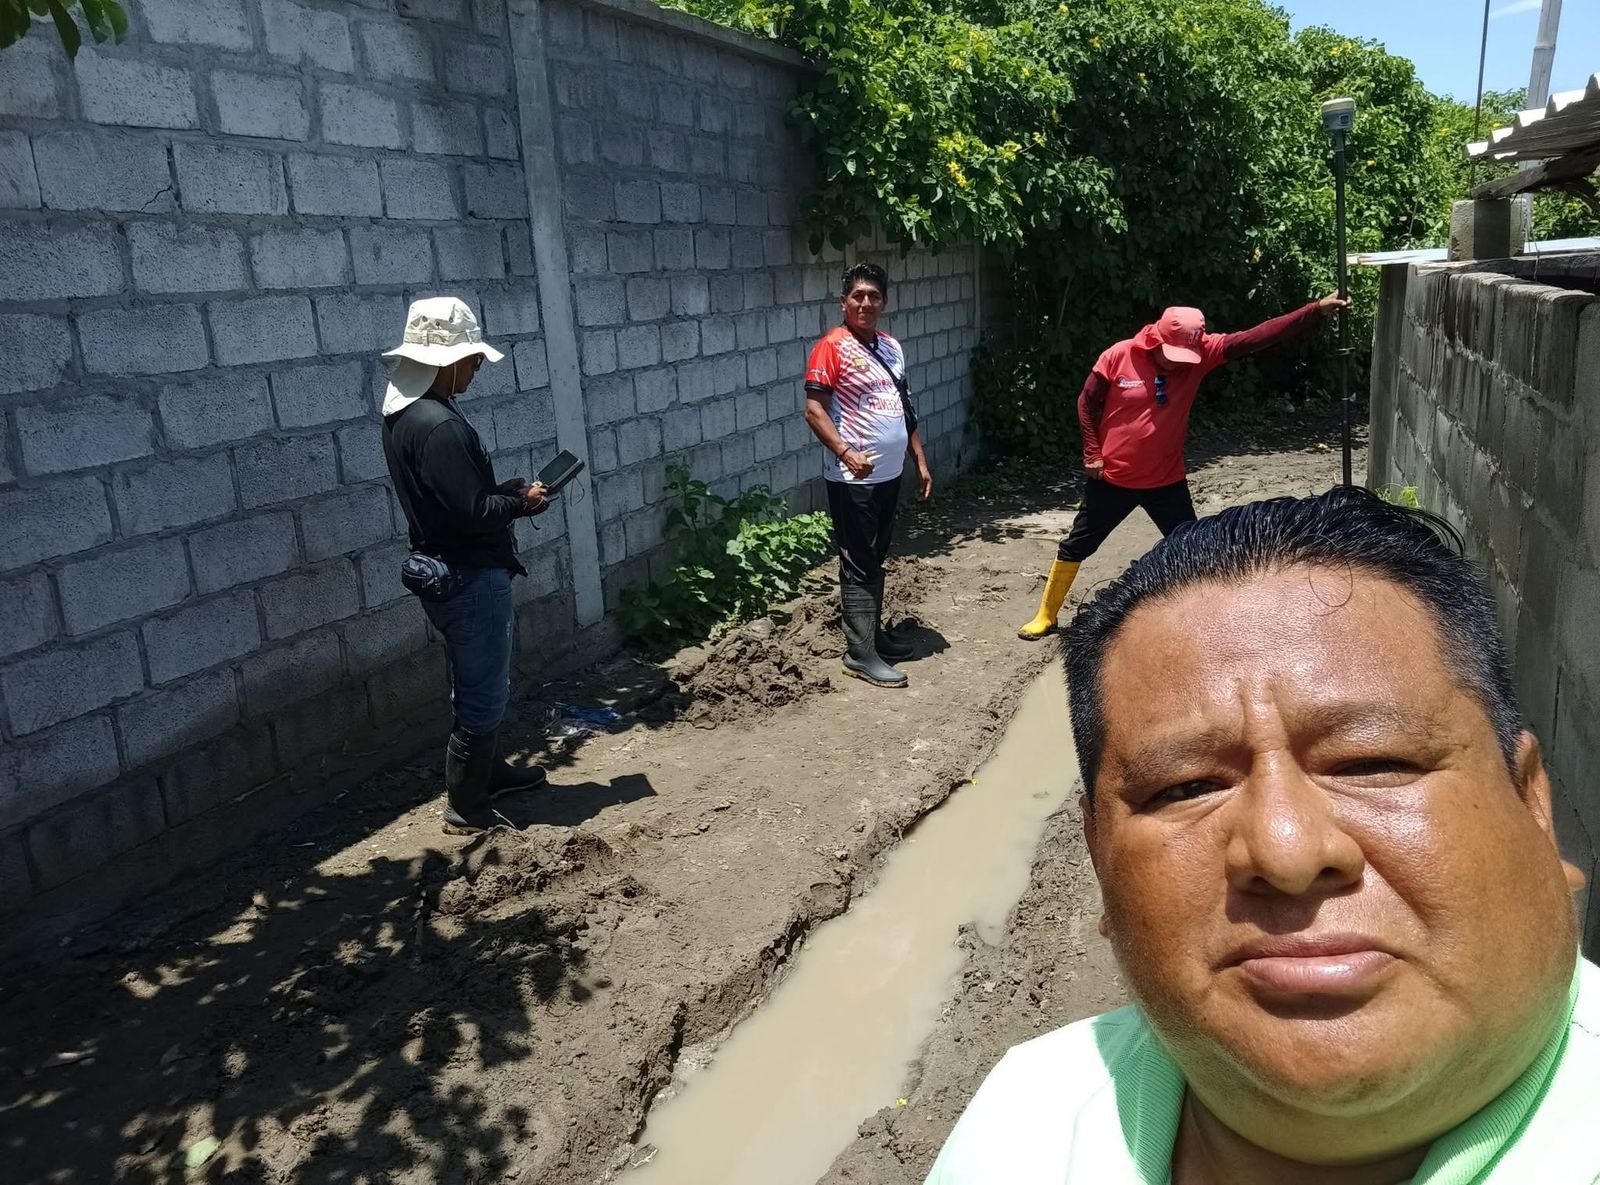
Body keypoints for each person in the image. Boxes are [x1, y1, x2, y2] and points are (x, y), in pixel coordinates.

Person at [929, 487, 1598, 1184]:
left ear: (1532, 803)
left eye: (1372, 762)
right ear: (1100, 862)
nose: (1286, 852)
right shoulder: (1018, 1126)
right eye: (1187, 787)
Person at [1017, 294, 1347, 640]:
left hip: (1166, 481)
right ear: (1156, 338)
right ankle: (1046, 615)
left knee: (1194, 548)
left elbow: (1256, 337)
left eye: (1184, 357)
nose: (1177, 364)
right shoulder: (1119, 355)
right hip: (1113, 478)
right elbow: (1086, 402)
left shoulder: (1201, 354)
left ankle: (1209, 618)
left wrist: (1313, 311)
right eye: (1172, 355)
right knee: (1077, 545)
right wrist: (1091, 451)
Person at [380, 297, 555, 834]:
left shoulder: (408, 413)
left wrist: (499, 493)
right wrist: (522, 502)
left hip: (444, 565)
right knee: (484, 690)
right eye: (472, 356)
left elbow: (454, 500)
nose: (477, 365)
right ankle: (466, 806)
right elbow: (474, 514)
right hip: (469, 574)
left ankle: (489, 774)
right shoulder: (440, 426)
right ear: (446, 359)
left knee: (476, 680)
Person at [803, 262, 934, 689]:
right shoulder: (830, 347)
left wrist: (918, 460)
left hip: (889, 475)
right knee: (858, 560)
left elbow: (905, 409)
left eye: (873, 296)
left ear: (884, 302)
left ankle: (873, 637)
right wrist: (846, 452)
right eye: (857, 296)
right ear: (844, 302)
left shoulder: (891, 347)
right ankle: (859, 654)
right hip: (851, 479)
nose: (865, 302)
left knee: (876, 556)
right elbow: (814, 410)